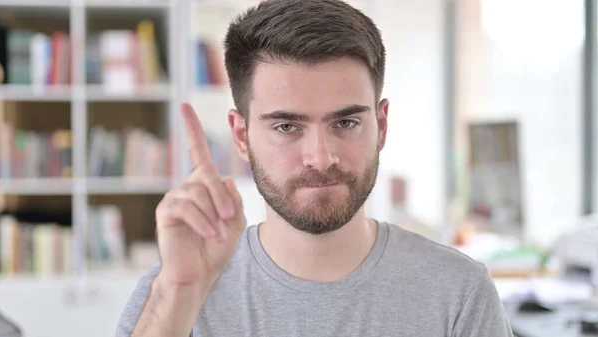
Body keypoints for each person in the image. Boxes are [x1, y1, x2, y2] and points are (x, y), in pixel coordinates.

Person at [116, 0, 513, 336]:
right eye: (287, 127)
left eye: (345, 123)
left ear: (382, 126)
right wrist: (180, 292)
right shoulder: (174, 289)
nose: (321, 158)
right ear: (241, 135)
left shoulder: (459, 293)